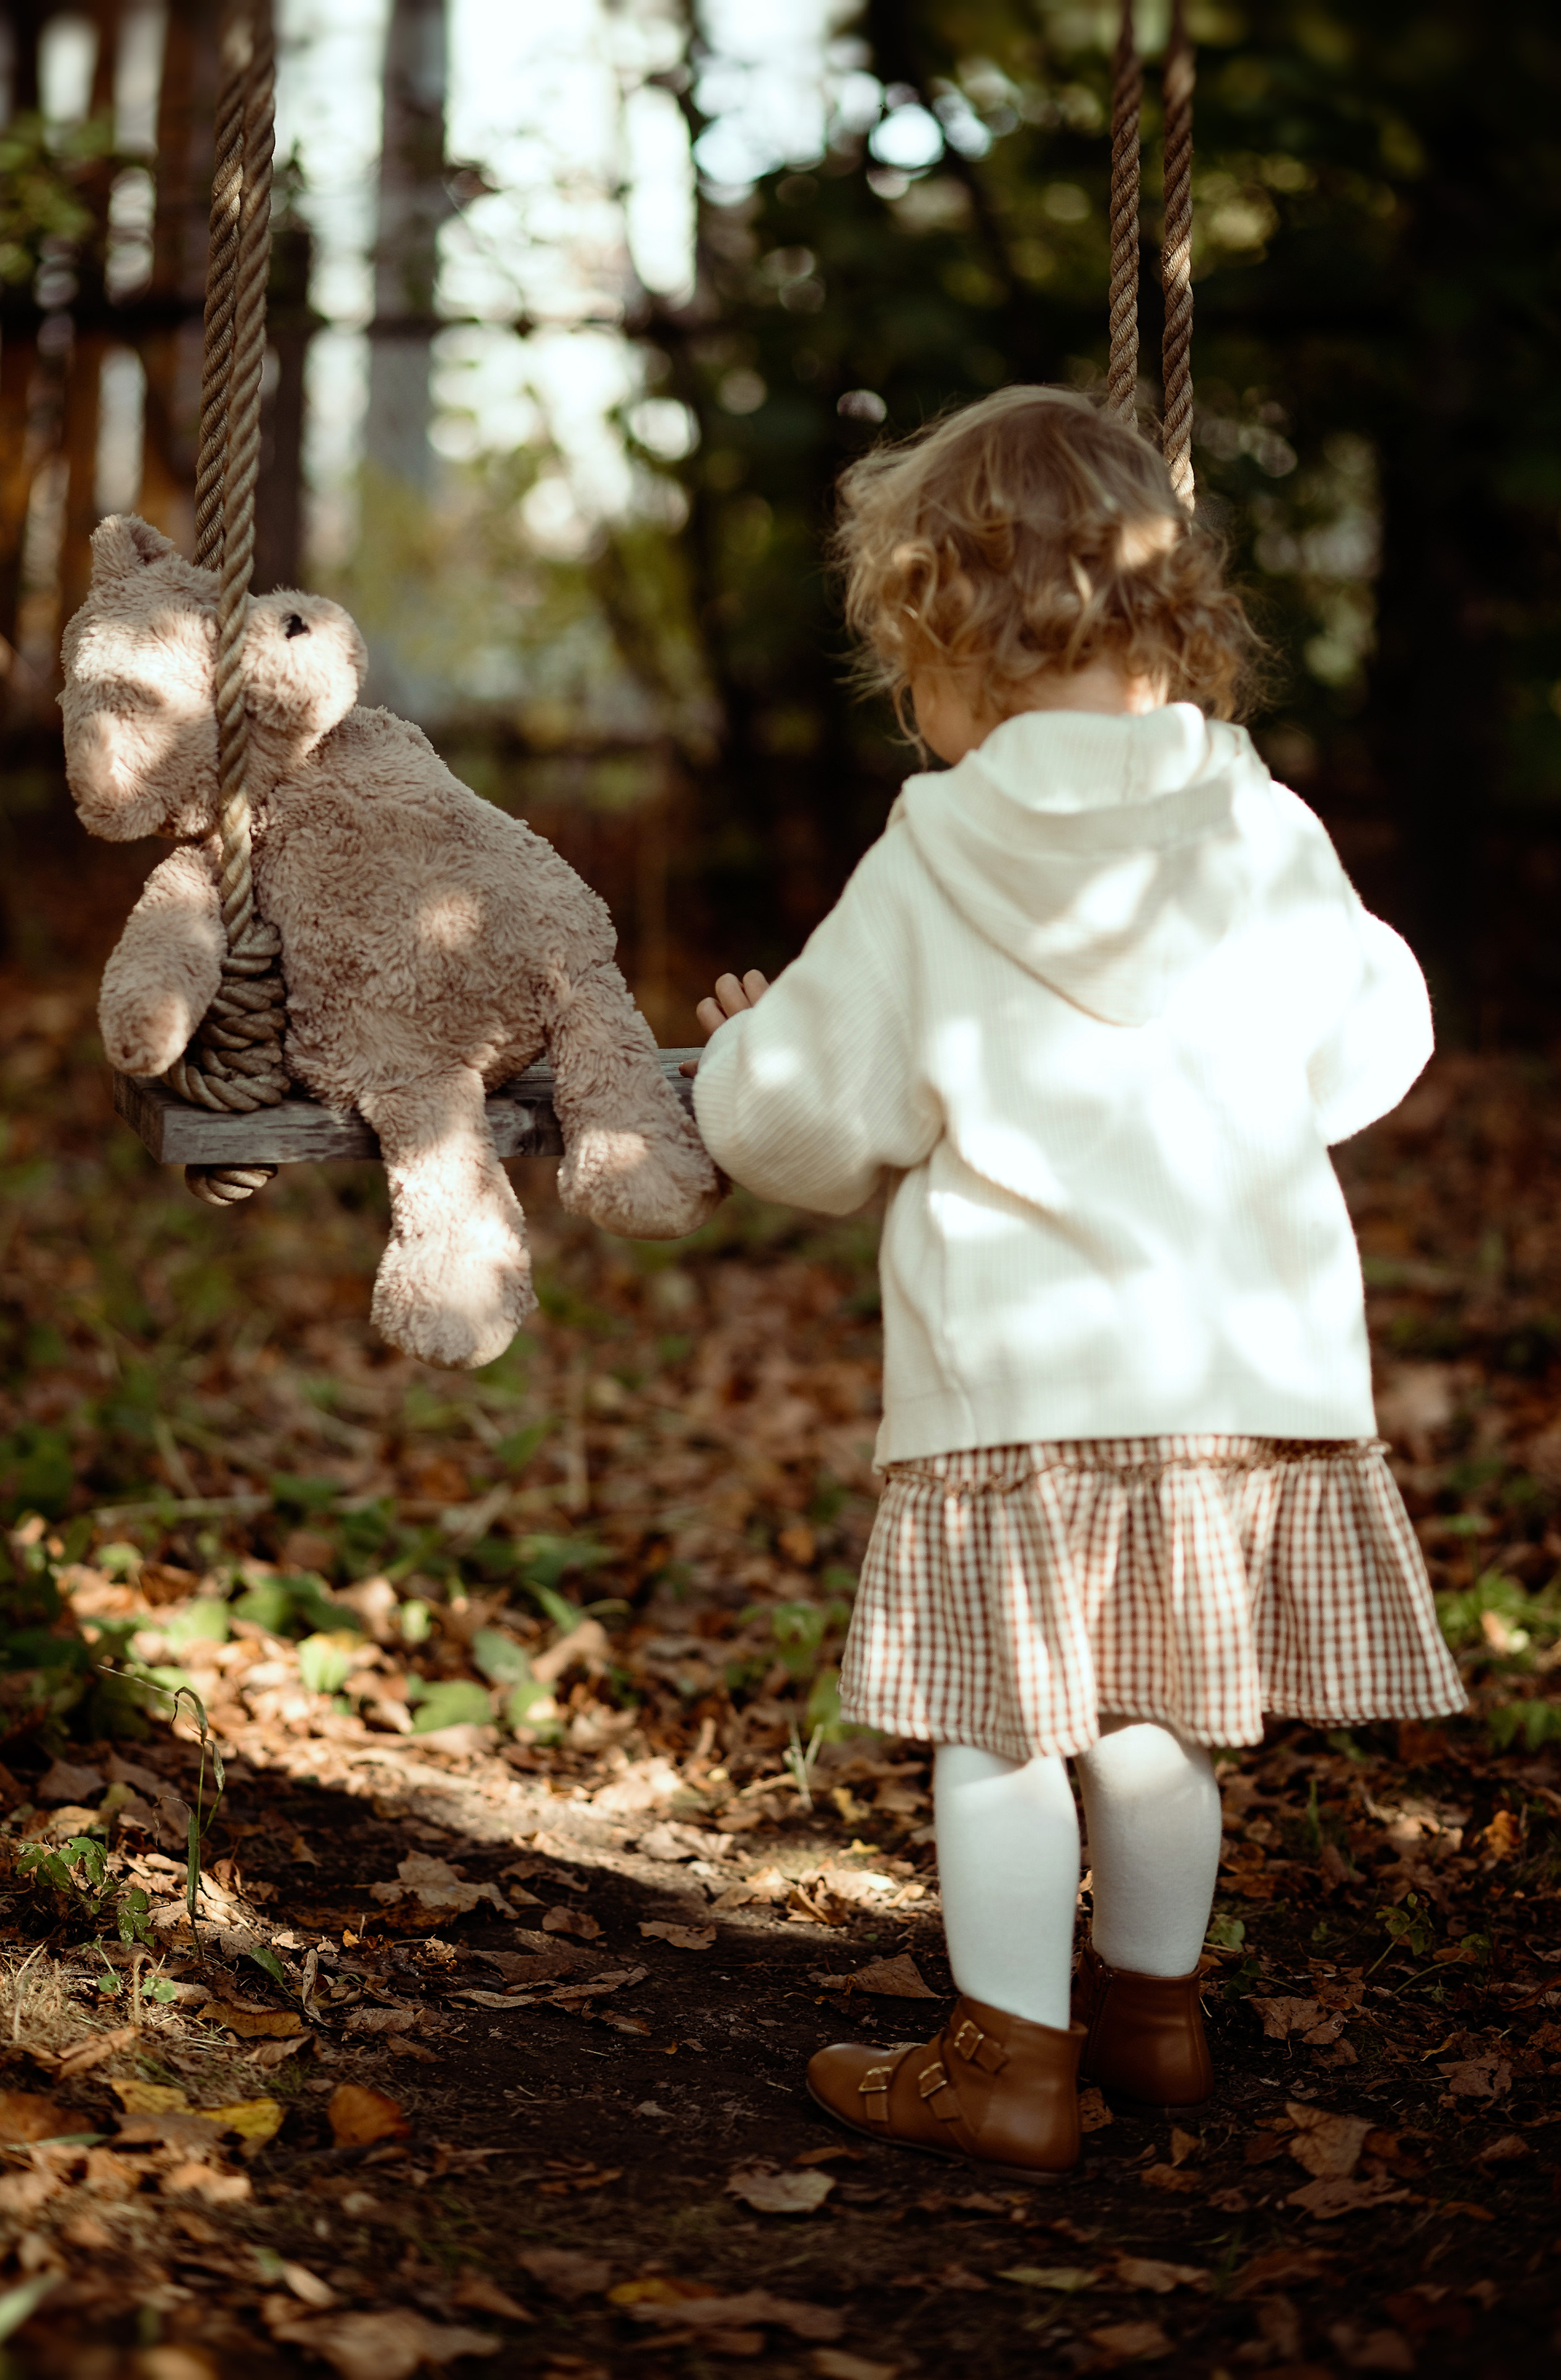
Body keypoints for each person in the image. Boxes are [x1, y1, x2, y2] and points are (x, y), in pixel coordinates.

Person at [687, 386, 1466, 2176]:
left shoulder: (936, 853)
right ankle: (1156, 2025)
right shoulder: (1259, 826)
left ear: (946, 636)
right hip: (1230, 1375)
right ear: (1167, 612)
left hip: (1016, 1394)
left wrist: (734, 1066)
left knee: (998, 1733)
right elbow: (1373, 1036)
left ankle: (1011, 2066)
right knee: (1156, 1723)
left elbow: (812, 1116)